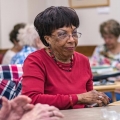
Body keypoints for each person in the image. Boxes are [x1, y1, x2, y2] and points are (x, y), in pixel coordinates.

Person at [21, 6, 109, 110]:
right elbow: (32, 99)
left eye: (74, 33)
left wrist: (98, 100)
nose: (71, 39)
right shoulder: (35, 60)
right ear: (48, 39)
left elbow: (88, 99)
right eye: (63, 34)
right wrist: (77, 98)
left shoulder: (83, 60)